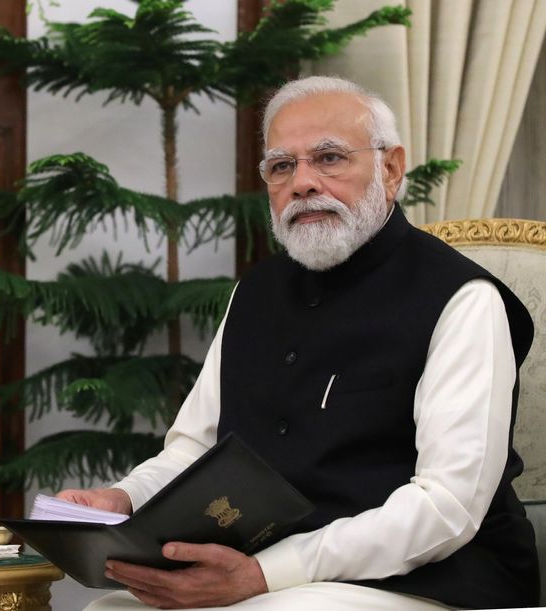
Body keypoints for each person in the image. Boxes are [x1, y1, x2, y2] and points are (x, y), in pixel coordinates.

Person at [58, 76, 539, 610]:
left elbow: (446, 506)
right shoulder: (256, 292)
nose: (303, 182)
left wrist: (266, 574)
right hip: (266, 571)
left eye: (329, 158)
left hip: (433, 579)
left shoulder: (461, 298)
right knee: (109, 608)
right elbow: (197, 448)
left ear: (391, 168)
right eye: (282, 166)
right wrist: (122, 498)